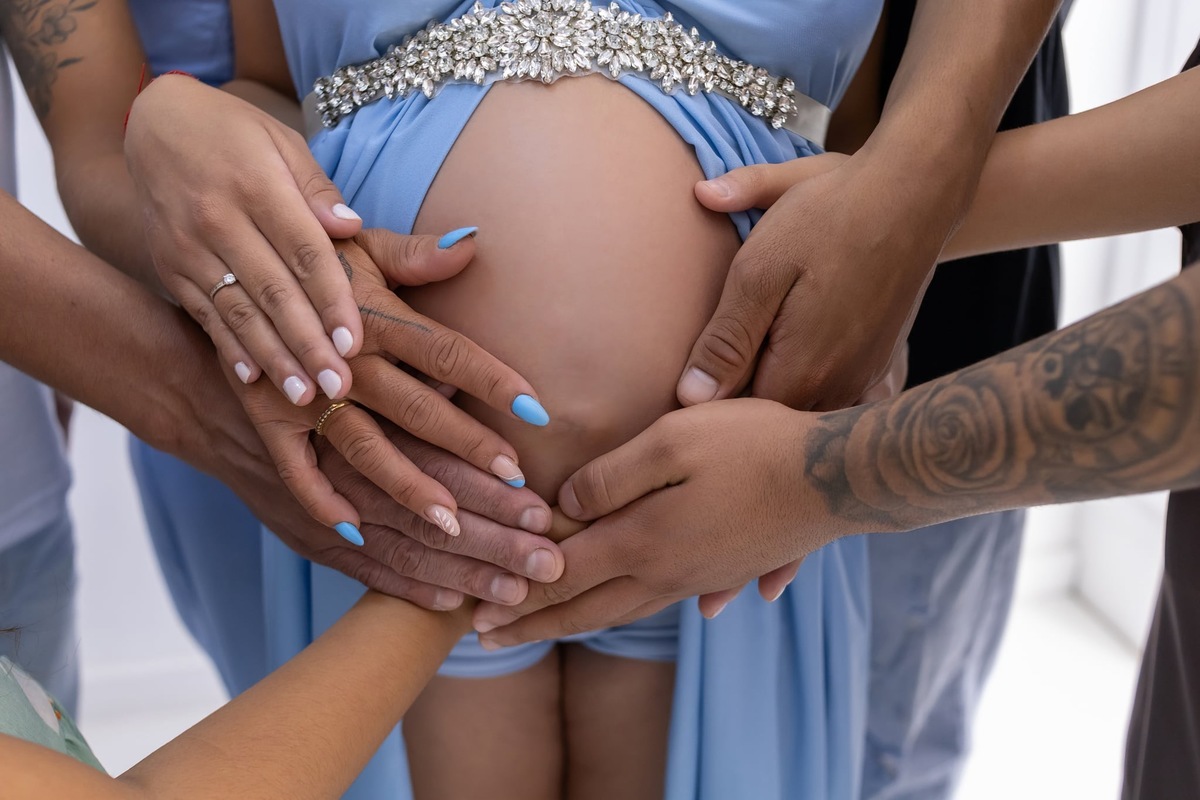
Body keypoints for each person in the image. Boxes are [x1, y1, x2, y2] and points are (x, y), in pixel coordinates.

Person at [120, 1, 1056, 798]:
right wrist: (180, 129)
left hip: (736, 486)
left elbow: (851, 142)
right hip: (399, 472)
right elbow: (270, 89)